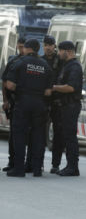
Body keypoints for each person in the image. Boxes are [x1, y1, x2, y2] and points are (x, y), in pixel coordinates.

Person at [5, 39, 52, 177]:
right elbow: (48, 92)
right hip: (40, 104)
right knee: (38, 135)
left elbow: (9, 85)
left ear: (26, 48)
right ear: (38, 49)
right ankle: (37, 169)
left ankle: (19, 168)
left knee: (19, 134)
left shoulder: (19, 63)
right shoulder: (46, 66)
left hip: (23, 102)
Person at [52, 41, 83, 176]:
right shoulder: (67, 65)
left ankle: (73, 167)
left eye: (60, 51)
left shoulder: (74, 67)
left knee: (70, 137)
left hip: (70, 105)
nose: (58, 54)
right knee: (65, 136)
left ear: (68, 51)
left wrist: (53, 88)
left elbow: (71, 87)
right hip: (65, 106)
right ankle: (69, 165)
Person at [1, 37, 26, 172]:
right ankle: (12, 162)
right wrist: (5, 100)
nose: (21, 49)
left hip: (27, 103)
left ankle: (26, 164)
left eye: (24, 47)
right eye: (20, 46)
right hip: (14, 102)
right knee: (14, 134)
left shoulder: (34, 62)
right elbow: (5, 83)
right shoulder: (13, 61)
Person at [42, 35, 64, 174]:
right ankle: (37, 162)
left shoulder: (60, 62)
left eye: (50, 45)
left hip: (57, 101)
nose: (48, 47)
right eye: (46, 45)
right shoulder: (40, 61)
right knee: (38, 132)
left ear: (54, 46)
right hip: (43, 101)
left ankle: (55, 164)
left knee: (58, 134)